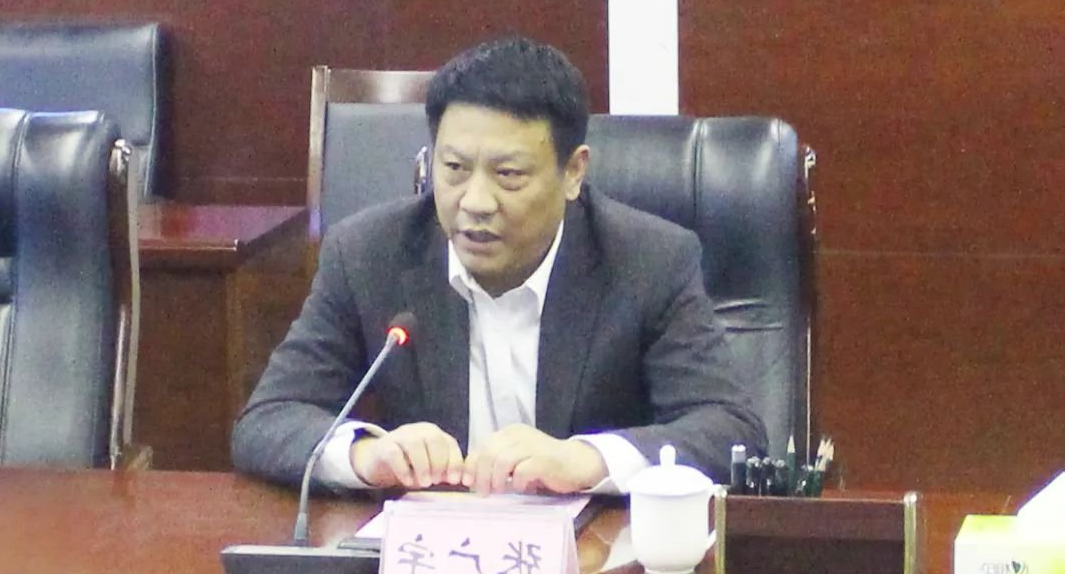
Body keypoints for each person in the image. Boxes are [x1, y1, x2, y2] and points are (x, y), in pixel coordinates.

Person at [231, 36, 766, 495]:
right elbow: (268, 420)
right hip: (431, 559)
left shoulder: (648, 261)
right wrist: (365, 455)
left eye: (508, 175)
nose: (475, 202)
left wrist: (585, 460)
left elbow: (731, 430)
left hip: (593, 561)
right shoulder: (368, 255)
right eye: (454, 168)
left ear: (573, 172)